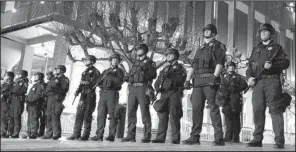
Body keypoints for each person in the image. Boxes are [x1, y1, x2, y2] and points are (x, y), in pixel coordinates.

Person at [246, 23, 290, 149]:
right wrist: (249, 78)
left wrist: (273, 67)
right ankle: (257, 139)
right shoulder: (256, 49)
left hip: (272, 82)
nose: (263, 33)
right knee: (257, 110)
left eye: (266, 31)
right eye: (261, 32)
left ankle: (279, 141)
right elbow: (249, 67)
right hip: (258, 83)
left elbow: (286, 63)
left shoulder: (277, 48)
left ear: (271, 34)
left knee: (275, 110)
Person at [183, 24, 226, 146]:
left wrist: (215, 77)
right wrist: (187, 79)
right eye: (205, 30)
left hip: (210, 81)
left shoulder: (218, 46)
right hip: (197, 82)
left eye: (209, 31)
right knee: (196, 109)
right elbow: (193, 66)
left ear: (213, 33)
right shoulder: (200, 48)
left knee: (213, 108)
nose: (206, 32)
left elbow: (220, 63)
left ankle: (219, 138)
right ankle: (194, 137)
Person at [121, 44, 157, 143]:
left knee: (144, 112)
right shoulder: (135, 63)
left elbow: (153, 75)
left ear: (144, 50)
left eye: (139, 49)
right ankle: (130, 135)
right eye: (137, 50)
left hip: (143, 87)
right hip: (133, 88)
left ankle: (147, 135)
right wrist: (127, 77)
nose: (137, 51)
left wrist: (145, 70)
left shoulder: (150, 62)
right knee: (131, 112)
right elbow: (131, 75)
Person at [152, 48, 187, 144]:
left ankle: (175, 138)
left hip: (174, 93)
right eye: (167, 55)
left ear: (175, 56)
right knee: (162, 115)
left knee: (174, 115)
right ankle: (160, 138)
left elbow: (181, 80)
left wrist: (171, 76)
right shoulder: (165, 68)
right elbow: (158, 81)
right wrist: (156, 87)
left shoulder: (180, 68)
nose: (168, 56)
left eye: (170, 54)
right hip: (164, 93)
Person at [90, 53, 124, 142]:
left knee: (112, 115)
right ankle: (99, 135)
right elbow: (98, 81)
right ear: (111, 60)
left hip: (112, 93)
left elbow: (119, 82)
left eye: (117, 59)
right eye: (113, 59)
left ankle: (111, 135)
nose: (115, 61)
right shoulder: (105, 71)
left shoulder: (119, 71)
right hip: (103, 93)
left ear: (119, 61)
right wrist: (102, 85)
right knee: (101, 114)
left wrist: (111, 77)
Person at [67, 55, 101, 141]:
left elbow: (94, 83)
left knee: (87, 115)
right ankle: (76, 134)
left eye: (87, 60)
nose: (85, 61)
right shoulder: (84, 72)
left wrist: (87, 84)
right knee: (79, 114)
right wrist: (78, 91)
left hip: (90, 95)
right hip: (83, 95)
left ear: (92, 61)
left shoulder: (96, 72)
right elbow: (81, 83)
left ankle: (85, 135)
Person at [219, 61, 247, 143]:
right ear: (227, 68)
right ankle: (228, 136)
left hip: (235, 99)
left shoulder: (238, 77)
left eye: (232, 66)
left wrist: (236, 90)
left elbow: (245, 86)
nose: (231, 68)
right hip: (226, 99)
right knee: (227, 118)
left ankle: (235, 137)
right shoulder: (224, 77)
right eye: (229, 66)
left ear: (234, 67)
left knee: (235, 118)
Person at [41, 65, 69, 140]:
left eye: (57, 69)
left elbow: (64, 89)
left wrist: (56, 92)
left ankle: (56, 133)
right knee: (49, 116)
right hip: (50, 98)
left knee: (55, 116)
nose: (56, 70)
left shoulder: (64, 79)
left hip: (56, 99)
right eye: (55, 69)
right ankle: (49, 133)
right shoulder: (54, 79)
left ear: (62, 70)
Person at [22, 72, 46, 139]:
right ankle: (29, 132)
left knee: (34, 119)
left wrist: (30, 100)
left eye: (36, 76)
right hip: (31, 104)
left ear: (40, 77)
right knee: (30, 119)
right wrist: (27, 99)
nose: (34, 77)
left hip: (35, 105)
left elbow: (38, 95)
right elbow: (30, 94)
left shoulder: (40, 85)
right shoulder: (35, 85)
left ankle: (33, 133)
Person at [8, 70, 29, 138]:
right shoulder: (16, 82)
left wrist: (14, 91)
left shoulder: (24, 82)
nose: (18, 75)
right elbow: (12, 89)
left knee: (16, 116)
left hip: (18, 100)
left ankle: (16, 133)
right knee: (11, 116)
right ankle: (10, 132)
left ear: (23, 75)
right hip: (13, 99)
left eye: (19, 74)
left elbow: (23, 90)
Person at [38, 71, 54, 137]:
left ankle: (49, 133)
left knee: (49, 118)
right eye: (47, 75)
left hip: (50, 102)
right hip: (45, 102)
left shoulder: (52, 83)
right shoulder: (47, 83)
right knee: (43, 118)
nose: (47, 76)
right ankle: (41, 132)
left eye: (48, 75)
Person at [1, 71, 15, 138]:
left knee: (6, 118)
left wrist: (4, 94)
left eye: (6, 76)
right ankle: (3, 131)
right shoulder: (4, 84)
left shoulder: (13, 84)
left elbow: (11, 93)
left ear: (10, 77)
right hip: (2, 102)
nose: (5, 77)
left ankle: (6, 132)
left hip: (8, 103)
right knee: (2, 118)